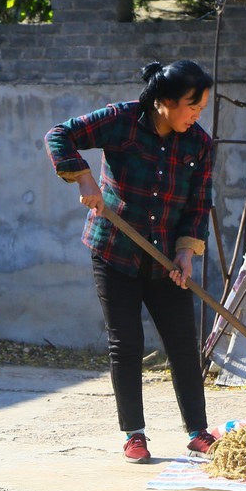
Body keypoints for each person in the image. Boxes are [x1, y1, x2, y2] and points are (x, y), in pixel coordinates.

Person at [45, 60, 217, 464]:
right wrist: (83, 176)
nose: (196, 116)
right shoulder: (121, 120)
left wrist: (186, 251)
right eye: (192, 107)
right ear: (164, 102)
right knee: (127, 342)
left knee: (182, 343)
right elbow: (60, 135)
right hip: (115, 250)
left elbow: (199, 203)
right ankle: (134, 434)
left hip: (165, 260)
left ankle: (197, 431)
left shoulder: (200, 144)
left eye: (200, 109)